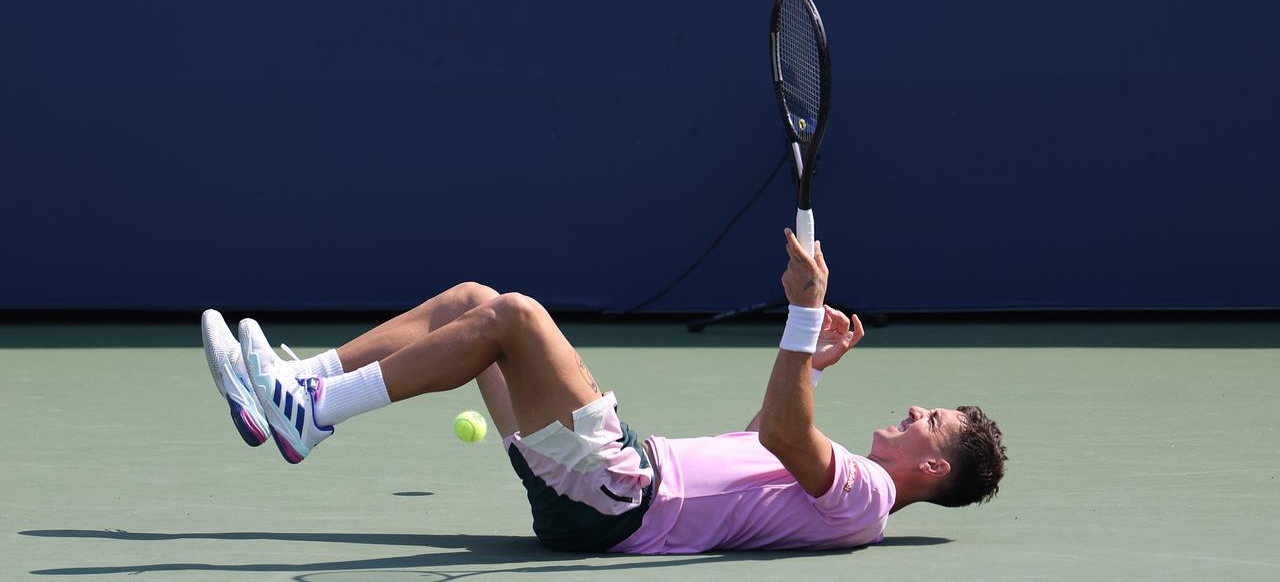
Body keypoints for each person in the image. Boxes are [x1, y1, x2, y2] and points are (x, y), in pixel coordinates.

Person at [200, 230, 1006, 553]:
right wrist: (816, 362)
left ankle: (310, 415)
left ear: (934, 470)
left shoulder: (866, 495)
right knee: (474, 301)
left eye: (929, 421)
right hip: (599, 494)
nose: (910, 412)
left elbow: (787, 440)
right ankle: (304, 385)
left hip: (622, 498)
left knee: (513, 317)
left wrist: (801, 316)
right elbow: (768, 433)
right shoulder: (846, 492)